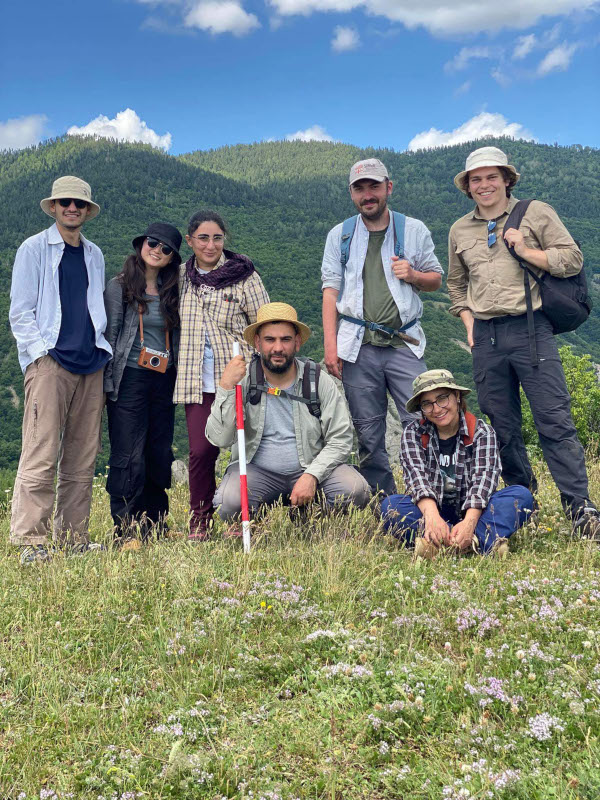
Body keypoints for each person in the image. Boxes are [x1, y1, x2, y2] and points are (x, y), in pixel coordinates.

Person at [447, 145, 600, 538]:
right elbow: (457, 285)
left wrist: (526, 249)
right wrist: (468, 325)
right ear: (468, 187)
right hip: (485, 335)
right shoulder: (459, 230)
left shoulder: (535, 212)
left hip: (531, 330)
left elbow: (572, 258)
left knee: (554, 419)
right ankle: (522, 501)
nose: (484, 185)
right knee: (501, 427)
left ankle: (580, 508)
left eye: (491, 177)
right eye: (476, 179)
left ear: (506, 180)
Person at [321, 158, 443, 497]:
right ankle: (385, 502)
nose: (367, 194)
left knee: (422, 420)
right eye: (360, 188)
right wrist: (330, 347)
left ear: (388, 187)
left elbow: (435, 279)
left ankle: (430, 494)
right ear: (352, 194)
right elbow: (330, 291)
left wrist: (415, 276)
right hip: (356, 345)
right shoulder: (341, 235)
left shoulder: (413, 230)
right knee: (367, 429)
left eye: (374, 186)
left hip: (404, 342)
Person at [9, 176, 111, 564]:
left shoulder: (94, 254)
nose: (73, 209)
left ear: (87, 211)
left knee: (83, 455)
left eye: (80, 204)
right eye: (65, 202)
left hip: (92, 362)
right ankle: (30, 542)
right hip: (51, 362)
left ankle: (73, 538)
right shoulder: (33, 249)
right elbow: (20, 312)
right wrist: (39, 357)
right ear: (53, 207)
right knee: (41, 450)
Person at [207, 302, 371, 522]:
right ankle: (255, 525)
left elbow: (341, 439)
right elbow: (220, 437)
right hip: (257, 471)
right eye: (269, 340)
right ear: (257, 342)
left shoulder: (317, 379)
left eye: (285, 339)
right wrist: (226, 386)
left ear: (297, 342)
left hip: (311, 467)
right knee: (229, 501)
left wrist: (312, 475)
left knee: (354, 489)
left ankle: (311, 520)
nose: (278, 348)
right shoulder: (242, 381)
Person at [174, 210, 270, 540]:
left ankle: (247, 517)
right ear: (190, 241)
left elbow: (265, 323)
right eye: (203, 238)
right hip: (195, 379)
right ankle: (200, 518)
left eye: (217, 238)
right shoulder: (180, 277)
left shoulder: (243, 275)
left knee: (246, 449)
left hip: (239, 376)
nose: (211, 244)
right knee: (201, 451)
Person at [381, 369, 534, 558]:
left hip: (475, 513)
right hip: (433, 512)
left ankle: (443, 544)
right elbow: (416, 479)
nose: (436, 409)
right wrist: (432, 518)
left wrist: (469, 522)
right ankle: (481, 542)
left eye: (442, 398)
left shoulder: (481, 432)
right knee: (390, 506)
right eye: (427, 404)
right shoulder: (414, 433)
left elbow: (484, 482)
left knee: (521, 496)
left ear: (457, 397)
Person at [103, 223, 182, 545]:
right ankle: (126, 527)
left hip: (165, 376)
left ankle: (156, 523)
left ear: (172, 258)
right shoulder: (119, 287)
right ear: (141, 244)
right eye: (153, 243)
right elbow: (109, 337)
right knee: (129, 453)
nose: (157, 250)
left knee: (158, 451)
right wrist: (106, 384)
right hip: (130, 376)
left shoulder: (173, 290)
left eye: (166, 249)